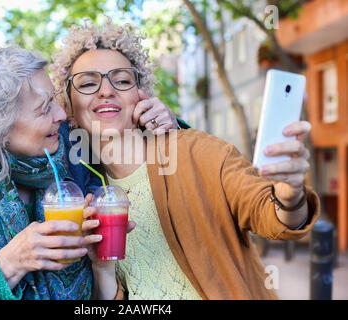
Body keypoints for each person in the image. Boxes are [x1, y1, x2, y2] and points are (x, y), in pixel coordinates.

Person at [50, 19, 321, 300]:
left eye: (121, 80)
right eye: (87, 83)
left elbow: (273, 216)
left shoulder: (197, 152)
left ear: (140, 95)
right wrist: (103, 270)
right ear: (68, 107)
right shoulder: (82, 192)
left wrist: (289, 196)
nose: (106, 91)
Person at [0, 46, 177, 300]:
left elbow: (125, 134)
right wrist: (10, 261)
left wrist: (166, 124)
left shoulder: (70, 152)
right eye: (44, 108)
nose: (61, 114)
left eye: (55, 101)